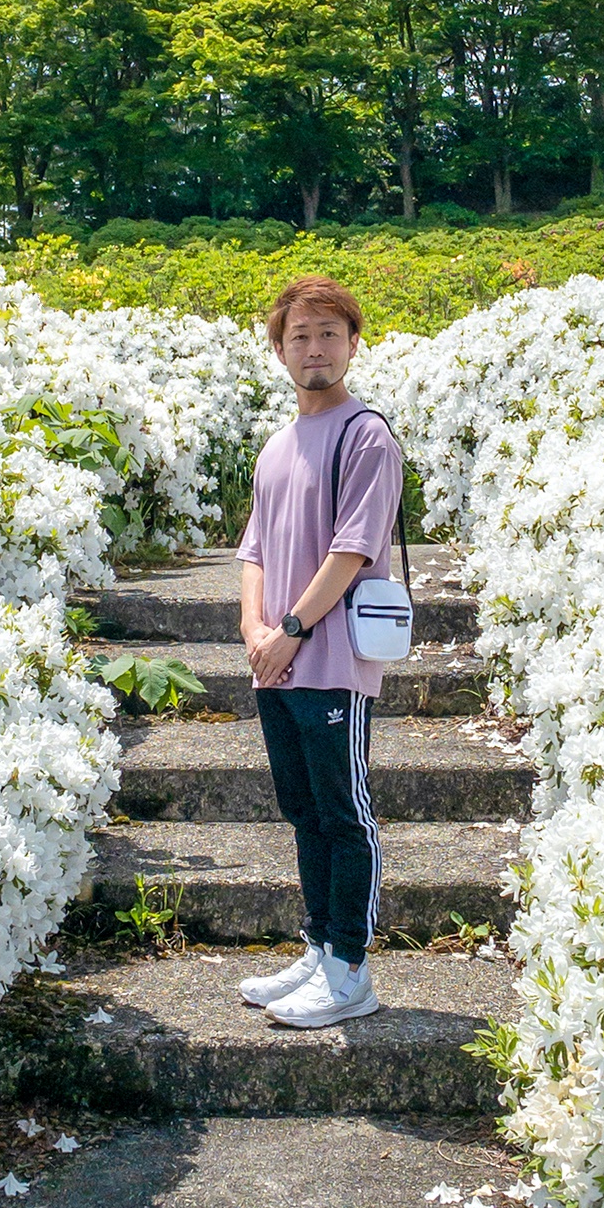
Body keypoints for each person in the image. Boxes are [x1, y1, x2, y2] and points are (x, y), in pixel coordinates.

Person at [235, 275, 403, 1028]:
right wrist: (253, 632)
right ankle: (319, 948)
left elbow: (351, 552)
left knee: (344, 813)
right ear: (278, 349)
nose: (315, 348)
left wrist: (290, 632)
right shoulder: (277, 445)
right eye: (300, 336)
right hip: (277, 663)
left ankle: (351, 970)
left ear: (353, 344)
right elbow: (253, 552)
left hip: (330, 661)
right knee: (302, 812)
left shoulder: (366, 434)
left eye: (330, 334)